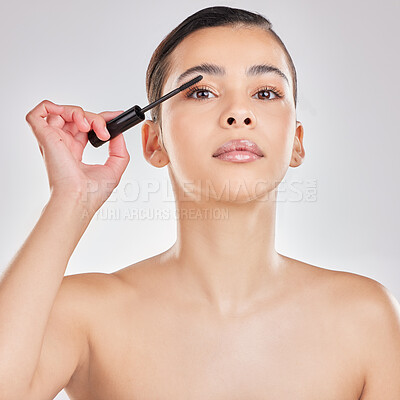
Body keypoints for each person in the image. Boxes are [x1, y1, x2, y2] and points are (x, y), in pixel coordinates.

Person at [1, 6, 399, 400]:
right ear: (154, 142)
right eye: (202, 91)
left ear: (296, 141)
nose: (238, 113)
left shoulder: (365, 318)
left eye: (265, 93)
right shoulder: (84, 315)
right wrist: (69, 200)